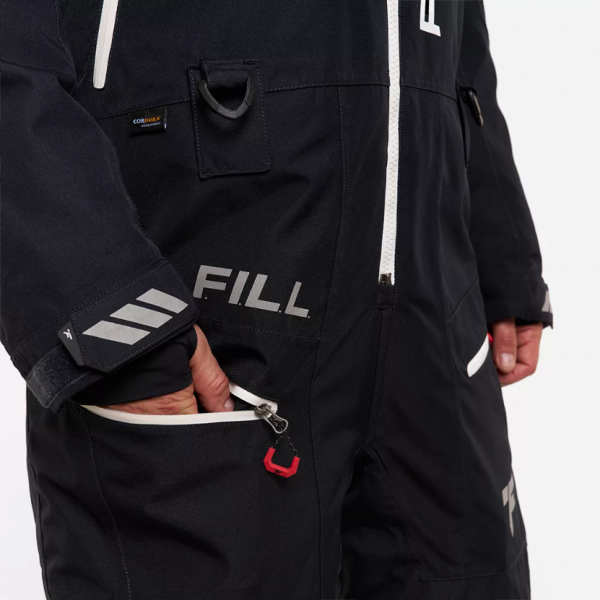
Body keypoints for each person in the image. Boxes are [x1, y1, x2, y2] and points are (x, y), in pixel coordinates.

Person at [0, 1, 551, 598]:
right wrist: (109, 318)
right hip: (199, 324)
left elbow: (459, 42)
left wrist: (501, 248)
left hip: (439, 314)